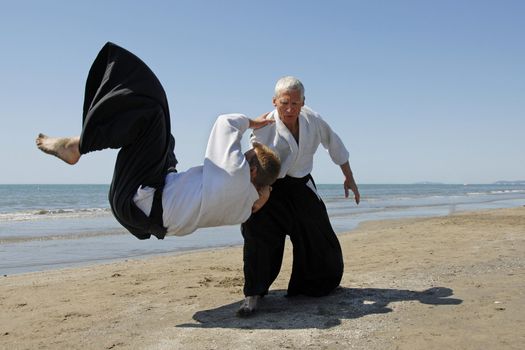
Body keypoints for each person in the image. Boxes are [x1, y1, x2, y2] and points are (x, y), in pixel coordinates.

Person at [36, 42, 280, 239]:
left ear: (251, 169)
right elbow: (257, 195)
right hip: (149, 214)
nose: (241, 155)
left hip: (139, 199)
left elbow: (225, 122)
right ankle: (79, 144)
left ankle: (77, 146)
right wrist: (265, 188)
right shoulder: (243, 209)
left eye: (246, 155)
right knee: (166, 137)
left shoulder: (236, 178)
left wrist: (253, 123)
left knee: (152, 110)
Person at [238, 76, 360, 316]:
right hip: (271, 186)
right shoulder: (264, 128)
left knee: (318, 234)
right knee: (257, 232)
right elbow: (258, 166)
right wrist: (261, 194)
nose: (290, 109)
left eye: (296, 103)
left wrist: (349, 177)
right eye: (285, 103)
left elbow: (334, 145)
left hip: (302, 185)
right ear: (275, 101)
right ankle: (253, 293)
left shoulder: (312, 120)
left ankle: (311, 286)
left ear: (304, 102)